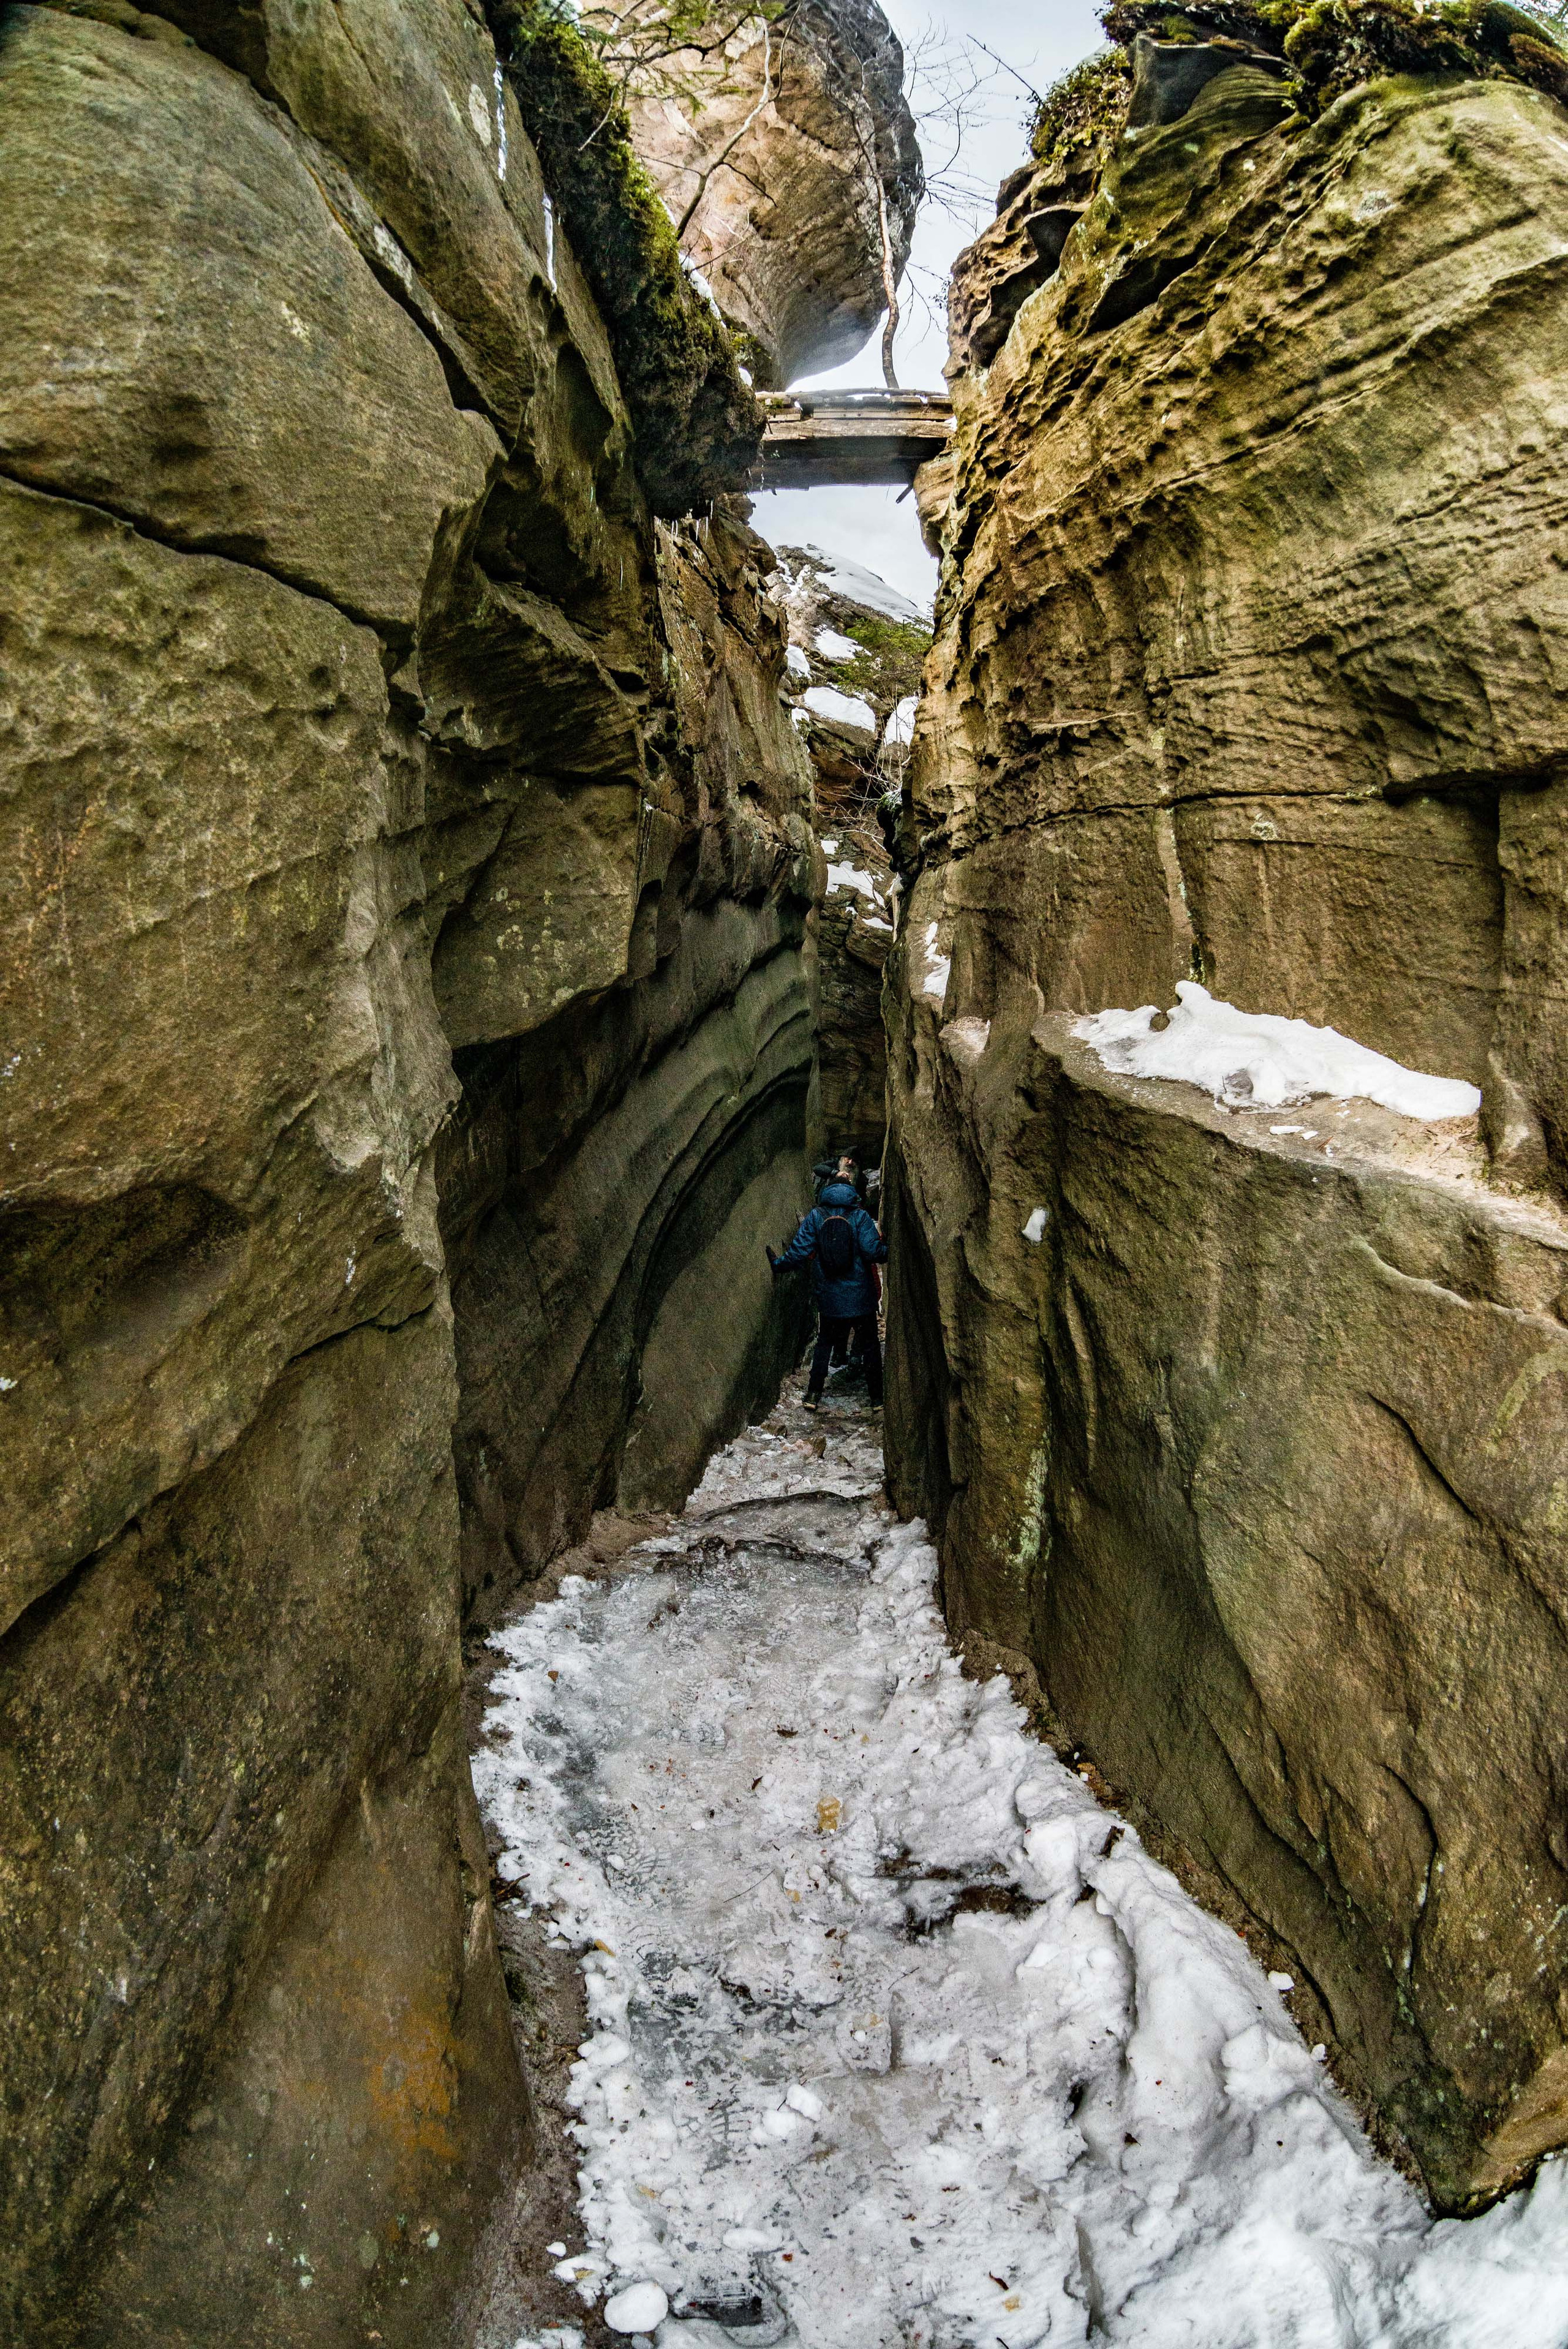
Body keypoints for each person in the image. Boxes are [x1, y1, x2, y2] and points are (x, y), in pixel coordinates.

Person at [767, 1175, 888, 1411]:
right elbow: (873, 1251)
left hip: (831, 1298)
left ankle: (813, 1395)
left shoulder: (816, 1216)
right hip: (861, 1298)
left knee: (824, 1345)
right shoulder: (860, 1216)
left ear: (827, 1191)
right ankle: (877, 1399)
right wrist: (888, 1247)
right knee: (870, 1346)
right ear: (853, 1193)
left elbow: (799, 1252)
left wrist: (779, 1264)